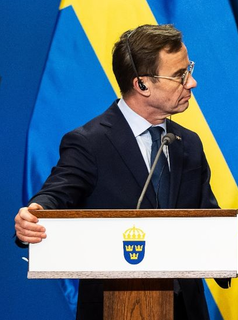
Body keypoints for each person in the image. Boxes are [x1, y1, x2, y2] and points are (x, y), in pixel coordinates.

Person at [14, 24, 225, 320]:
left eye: (188, 69)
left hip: (187, 311)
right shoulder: (90, 143)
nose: (192, 83)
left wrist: (227, 253)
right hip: (116, 307)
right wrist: (34, 214)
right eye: (180, 75)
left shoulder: (188, 143)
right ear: (141, 85)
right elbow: (55, 195)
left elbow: (207, 220)